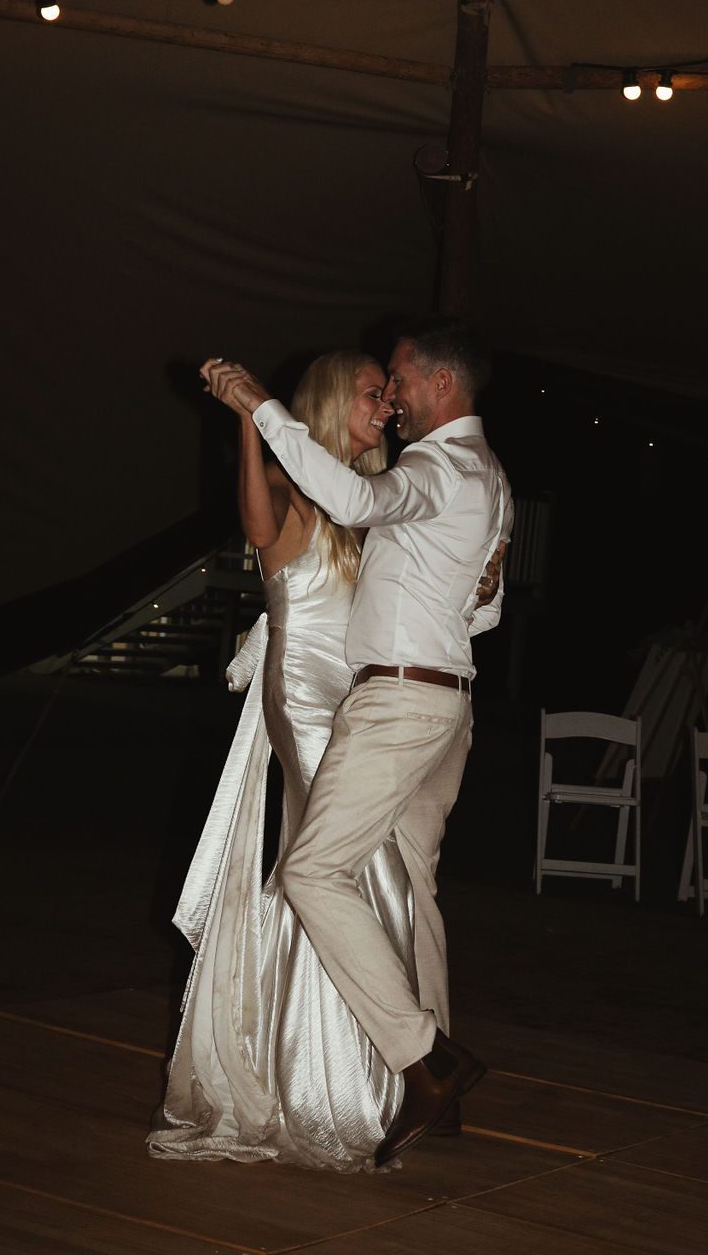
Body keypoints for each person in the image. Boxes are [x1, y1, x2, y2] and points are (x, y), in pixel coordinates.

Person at [201, 316, 512, 1167]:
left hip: (400, 703)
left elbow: (358, 502)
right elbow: (479, 610)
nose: (395, 399)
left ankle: (426, 1058)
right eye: (379, 389)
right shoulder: (488, 475)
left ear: (439, 384)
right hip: (441, 700)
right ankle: (437, 1078)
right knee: (412, 885)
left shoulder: (433, 467)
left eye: (401, 381)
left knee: (309, 869)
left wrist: (260, 405)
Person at [148, 351, 407, 1172]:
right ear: (336, 402)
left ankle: (343, 1065)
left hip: (357, 695)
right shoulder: (298, 494)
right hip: (302, 696)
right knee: (343, 869)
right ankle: (327, 1077)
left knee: (354, 872)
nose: (388, 405)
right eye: (375, 393)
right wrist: (250, 424)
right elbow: (259, 533)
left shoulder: (363, 501)